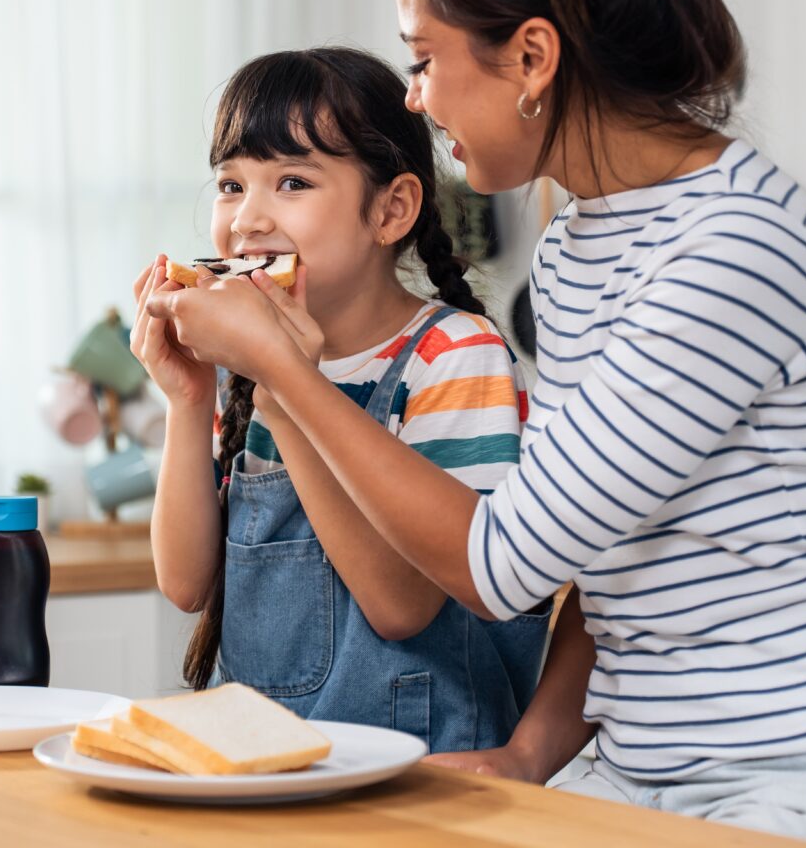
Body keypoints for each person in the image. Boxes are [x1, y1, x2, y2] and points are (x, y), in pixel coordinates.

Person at [141, 0, 806, 844]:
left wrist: (281, 366)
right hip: (645, 769)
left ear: (532, 57)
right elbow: (601, 545)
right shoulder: (580, 243)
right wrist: (529, 755)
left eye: (423, 60)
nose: (414, 96)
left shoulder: (737, 240)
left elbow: (505, 559)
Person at [130, 47, 550, 753]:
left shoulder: (454, 354)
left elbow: (401, 608)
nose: (248, 220)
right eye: (231, 184)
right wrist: (187, 396)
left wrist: (285, 384)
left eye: (292, 181)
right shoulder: (247, 363)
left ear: (391, 210)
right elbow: (184, 583)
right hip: (272, 768)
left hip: (422, 782)